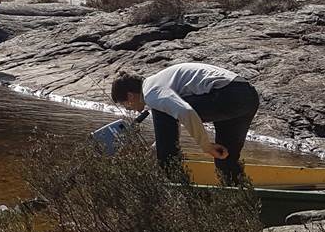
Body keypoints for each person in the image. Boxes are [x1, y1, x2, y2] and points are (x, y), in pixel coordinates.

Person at [111, 63, 260, 182]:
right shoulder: (157, 83)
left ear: (130, 96)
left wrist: (206, 146)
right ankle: (246, 203)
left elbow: (185, 112)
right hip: (248, 96)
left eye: (126, 105)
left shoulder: (151, 92)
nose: (130, 110)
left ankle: (177, 183)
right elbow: (177, 115)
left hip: (228, 95)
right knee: (225, 159)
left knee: (160, 113)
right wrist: (156, 148)